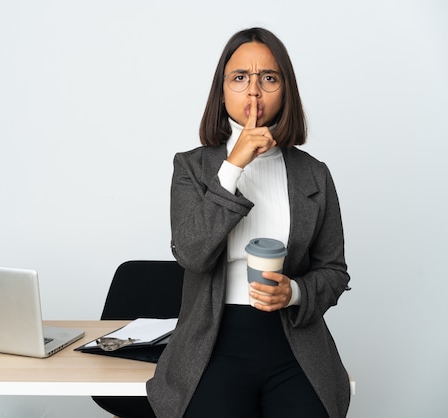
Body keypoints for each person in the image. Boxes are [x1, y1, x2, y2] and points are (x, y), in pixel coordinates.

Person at [146, 27, 351, 418]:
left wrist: (293, 293)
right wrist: (233, 166)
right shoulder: (192, 167)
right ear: (222, 91)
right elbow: (190, 253)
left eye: (268, 78)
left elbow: (334, 271)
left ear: (285, 91)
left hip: (294, 342)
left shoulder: (315, 175)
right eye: (240, 78)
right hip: (212, 343)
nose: (253, 91)